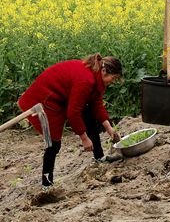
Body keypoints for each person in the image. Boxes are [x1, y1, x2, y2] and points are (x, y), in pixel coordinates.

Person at [18, 54, 124, 187]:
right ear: (104, 71)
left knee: (89, 113)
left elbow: (96, 103)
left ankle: (99, 157)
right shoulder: (86, 80)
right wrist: (84, 138)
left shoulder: (95, 77)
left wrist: (110, 129)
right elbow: (73, 112)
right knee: (53, 144)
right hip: (46, 98)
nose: (111, 82)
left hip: (60, 97)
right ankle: (47, 184)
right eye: (112, 78)